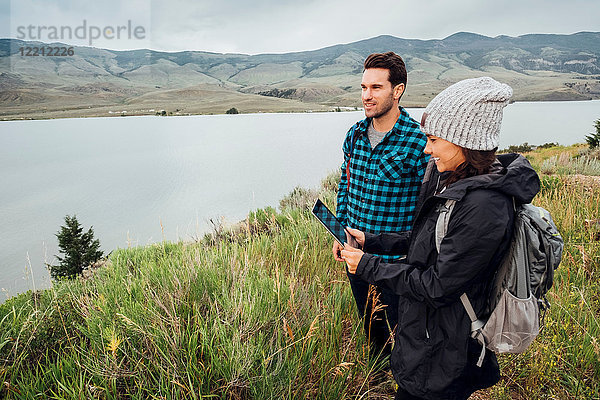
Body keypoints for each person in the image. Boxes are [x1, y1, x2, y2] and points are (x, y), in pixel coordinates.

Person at [340, 77, 541, 400]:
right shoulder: (454, 181)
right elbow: (427, 240)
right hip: (430, 338)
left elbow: (437, 285)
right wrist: (372, 241)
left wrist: (368, 265)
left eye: (434, 139)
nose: (426, 148)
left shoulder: (484, 206)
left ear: (463, 141)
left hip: (445, 349)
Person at [333, 52, 428, 361]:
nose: (366, 96)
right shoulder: (355, 135)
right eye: (363, 88)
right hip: (356, 255)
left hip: (397, 263)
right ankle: (378, 376)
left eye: (376, 88)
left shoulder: (417, 142)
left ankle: (404, 380)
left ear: (397, 90)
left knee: (403, 332)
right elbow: (345, 186)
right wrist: (341, 233)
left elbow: (428, 209)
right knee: (371, 325)